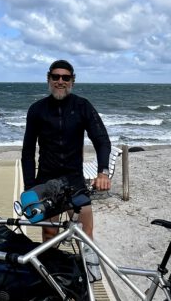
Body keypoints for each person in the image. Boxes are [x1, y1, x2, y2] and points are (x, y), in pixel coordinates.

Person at [21, 59, 112, 243]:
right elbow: (28, 152)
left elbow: (102, 140)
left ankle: (87, 271)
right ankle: (51, 271)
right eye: (56, 76)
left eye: (65, 77)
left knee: (86, 236)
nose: (60, 81)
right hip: (46, 182)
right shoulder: (37, 110)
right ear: (49, 79)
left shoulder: (82, 106)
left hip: (75, 182)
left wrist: (102, 172)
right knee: (49, 236)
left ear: (72, 81)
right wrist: (29, 188)